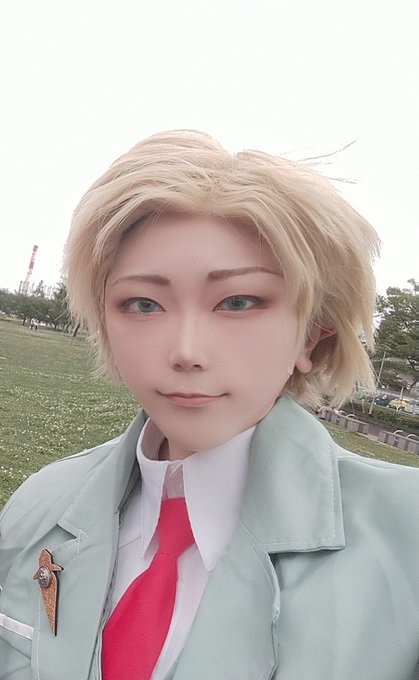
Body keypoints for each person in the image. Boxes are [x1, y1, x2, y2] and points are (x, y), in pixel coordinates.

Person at [0, 131, 418, 680]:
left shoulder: (407, 536)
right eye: (142, 304)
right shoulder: (39, 504)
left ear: (312, 336)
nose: (186, 351)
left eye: (239, 302)